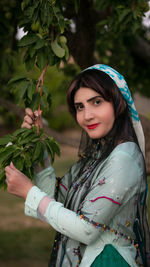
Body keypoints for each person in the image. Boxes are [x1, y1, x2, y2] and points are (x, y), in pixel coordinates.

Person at [5, 64, 150, 267]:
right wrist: (35, 146)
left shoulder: (123, 158)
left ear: (118, 103)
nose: (87, 115)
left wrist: (29, 192)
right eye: (80, 106)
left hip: (107, 261)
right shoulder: (99, 155)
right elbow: (58, 198)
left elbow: (86, 229)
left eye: (97, 102)